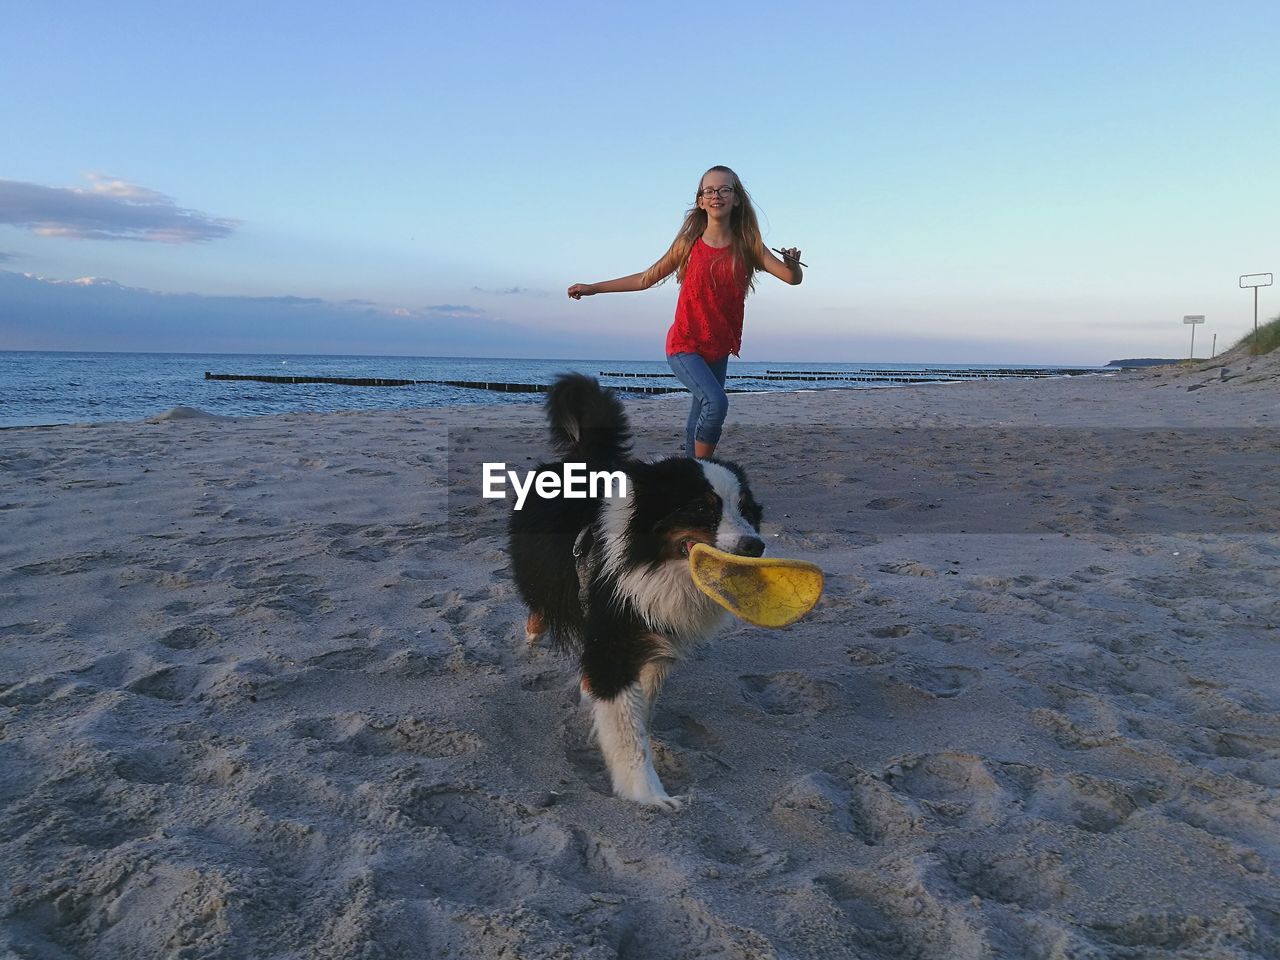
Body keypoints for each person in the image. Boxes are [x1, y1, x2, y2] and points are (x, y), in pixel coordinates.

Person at [567, 165, 803, 459]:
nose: (717, 195)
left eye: (725, 189)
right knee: (716, 404)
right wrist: (593, 288)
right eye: (709, 191)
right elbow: (645, 278)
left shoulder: (748, 244)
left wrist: (792, 265)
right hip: (684, 345)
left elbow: (791, 278)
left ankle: (691, 473)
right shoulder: (689, 244)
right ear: (701, 201)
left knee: (700, 412)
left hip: (718, 348)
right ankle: (701, 473)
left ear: (737, 198)